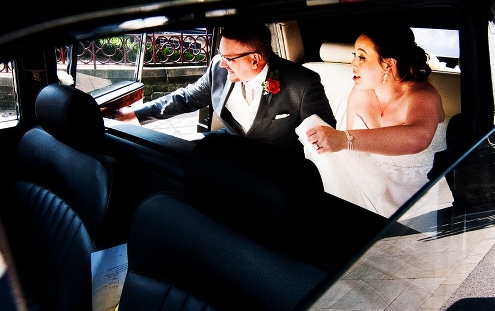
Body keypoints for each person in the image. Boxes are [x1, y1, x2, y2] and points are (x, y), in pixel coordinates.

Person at [118, 22, 336, 157]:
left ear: (255, 59)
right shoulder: (218, 69)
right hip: (229, 150)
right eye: (221, 56)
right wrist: (135, 114)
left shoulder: (303, 82)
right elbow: (186, 98)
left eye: (229, 58)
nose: (222, 64)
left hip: (276, 167)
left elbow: (326, 133)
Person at [297, 25, 447, 217]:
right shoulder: (359, 92)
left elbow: (418, 139)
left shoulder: (423, 96)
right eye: (354, 55)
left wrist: (343, 139)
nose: (353, 63)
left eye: (361, 57)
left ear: (388, 64)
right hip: (368, 193)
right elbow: (352, 156)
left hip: (422, 204)